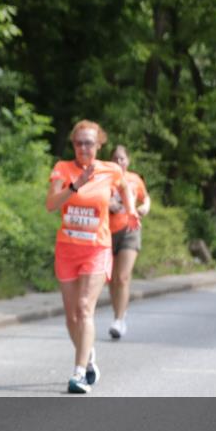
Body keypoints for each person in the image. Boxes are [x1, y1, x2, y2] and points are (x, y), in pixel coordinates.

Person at [45, 120, 138, 394]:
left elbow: (126, 187)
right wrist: (75, 185)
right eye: (78, 143)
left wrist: (131, 210)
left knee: (85, 307)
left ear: (99, 144)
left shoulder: (110, 170)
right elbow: (51, 204)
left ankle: (78, 373)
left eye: (89, 143)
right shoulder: (62, 169)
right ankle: (88, 356)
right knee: (71, 316)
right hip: (67, 249)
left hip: (97, 248)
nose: (83, 148)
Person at [106, 145, 151, 339]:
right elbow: (94, 199)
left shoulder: (134, 179)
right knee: (112, 279)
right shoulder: (104, 179)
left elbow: (146, 198)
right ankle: (119, 312)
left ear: (128, 161)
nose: (119, 162)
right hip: (107, 231)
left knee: (123, 276)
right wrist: (109, 204)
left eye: (122, 158)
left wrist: (145, 207)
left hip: (130, 230)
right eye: (115, 158)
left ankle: (119, 319)